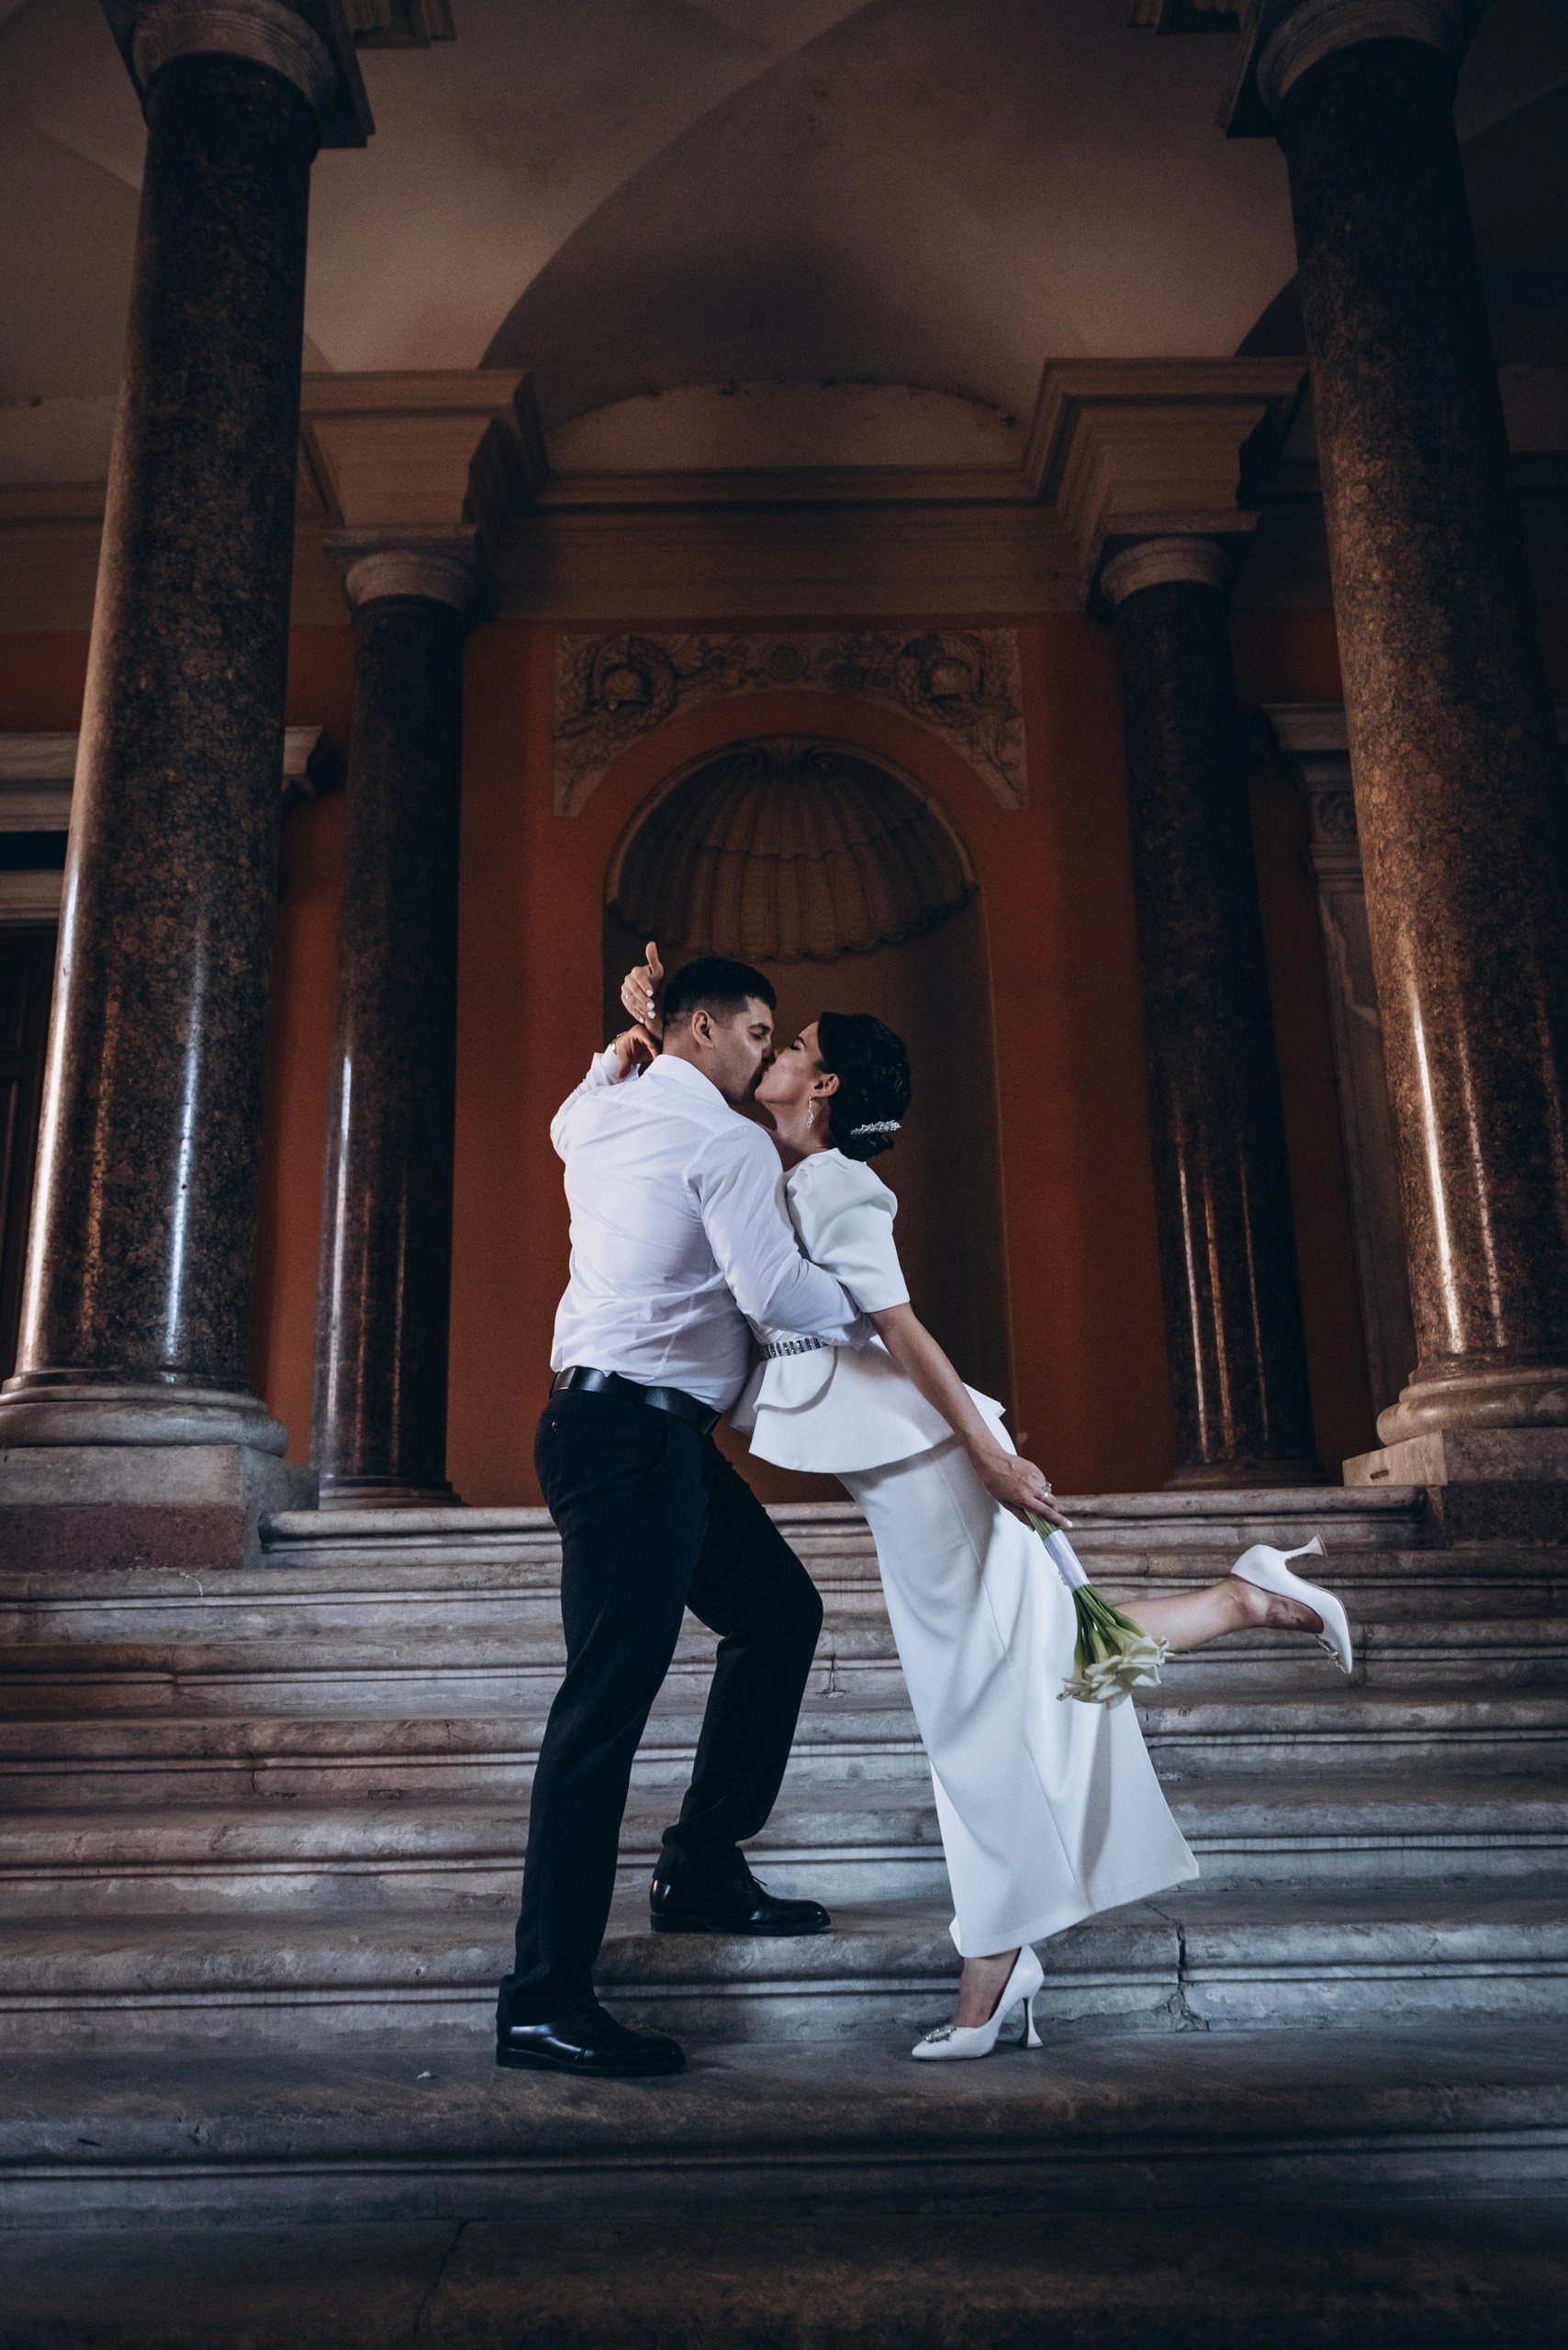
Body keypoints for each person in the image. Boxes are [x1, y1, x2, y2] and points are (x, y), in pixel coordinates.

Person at [622, 948, 1353, 2061]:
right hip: (918, 1466)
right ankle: (1240, 1598)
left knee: (977, 1710)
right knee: (1046, 1659)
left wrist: (990, 1459)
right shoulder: (779, 1168)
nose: (771, 1052)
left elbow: (901, 1328)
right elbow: (688, 1085)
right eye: (766, 1037)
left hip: (939, 1463)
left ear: (823, 1084)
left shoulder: (834, 1184)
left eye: (793, 1045)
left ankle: (996, 1956)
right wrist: (652, 1020)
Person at [496, 957, 870, 2079]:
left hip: (628, 1435)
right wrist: (874, 1305)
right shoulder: (724, 1142)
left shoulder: (598, 1114)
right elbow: (774, 1294)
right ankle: (542, 2000)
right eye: (756, 1032)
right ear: (701, 1028)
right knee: (602, 1709)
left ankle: (700, 1865)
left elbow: (571, 1111)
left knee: (779, 1614)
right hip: (632, 1442)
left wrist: (624, 1045)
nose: (763, 1054)